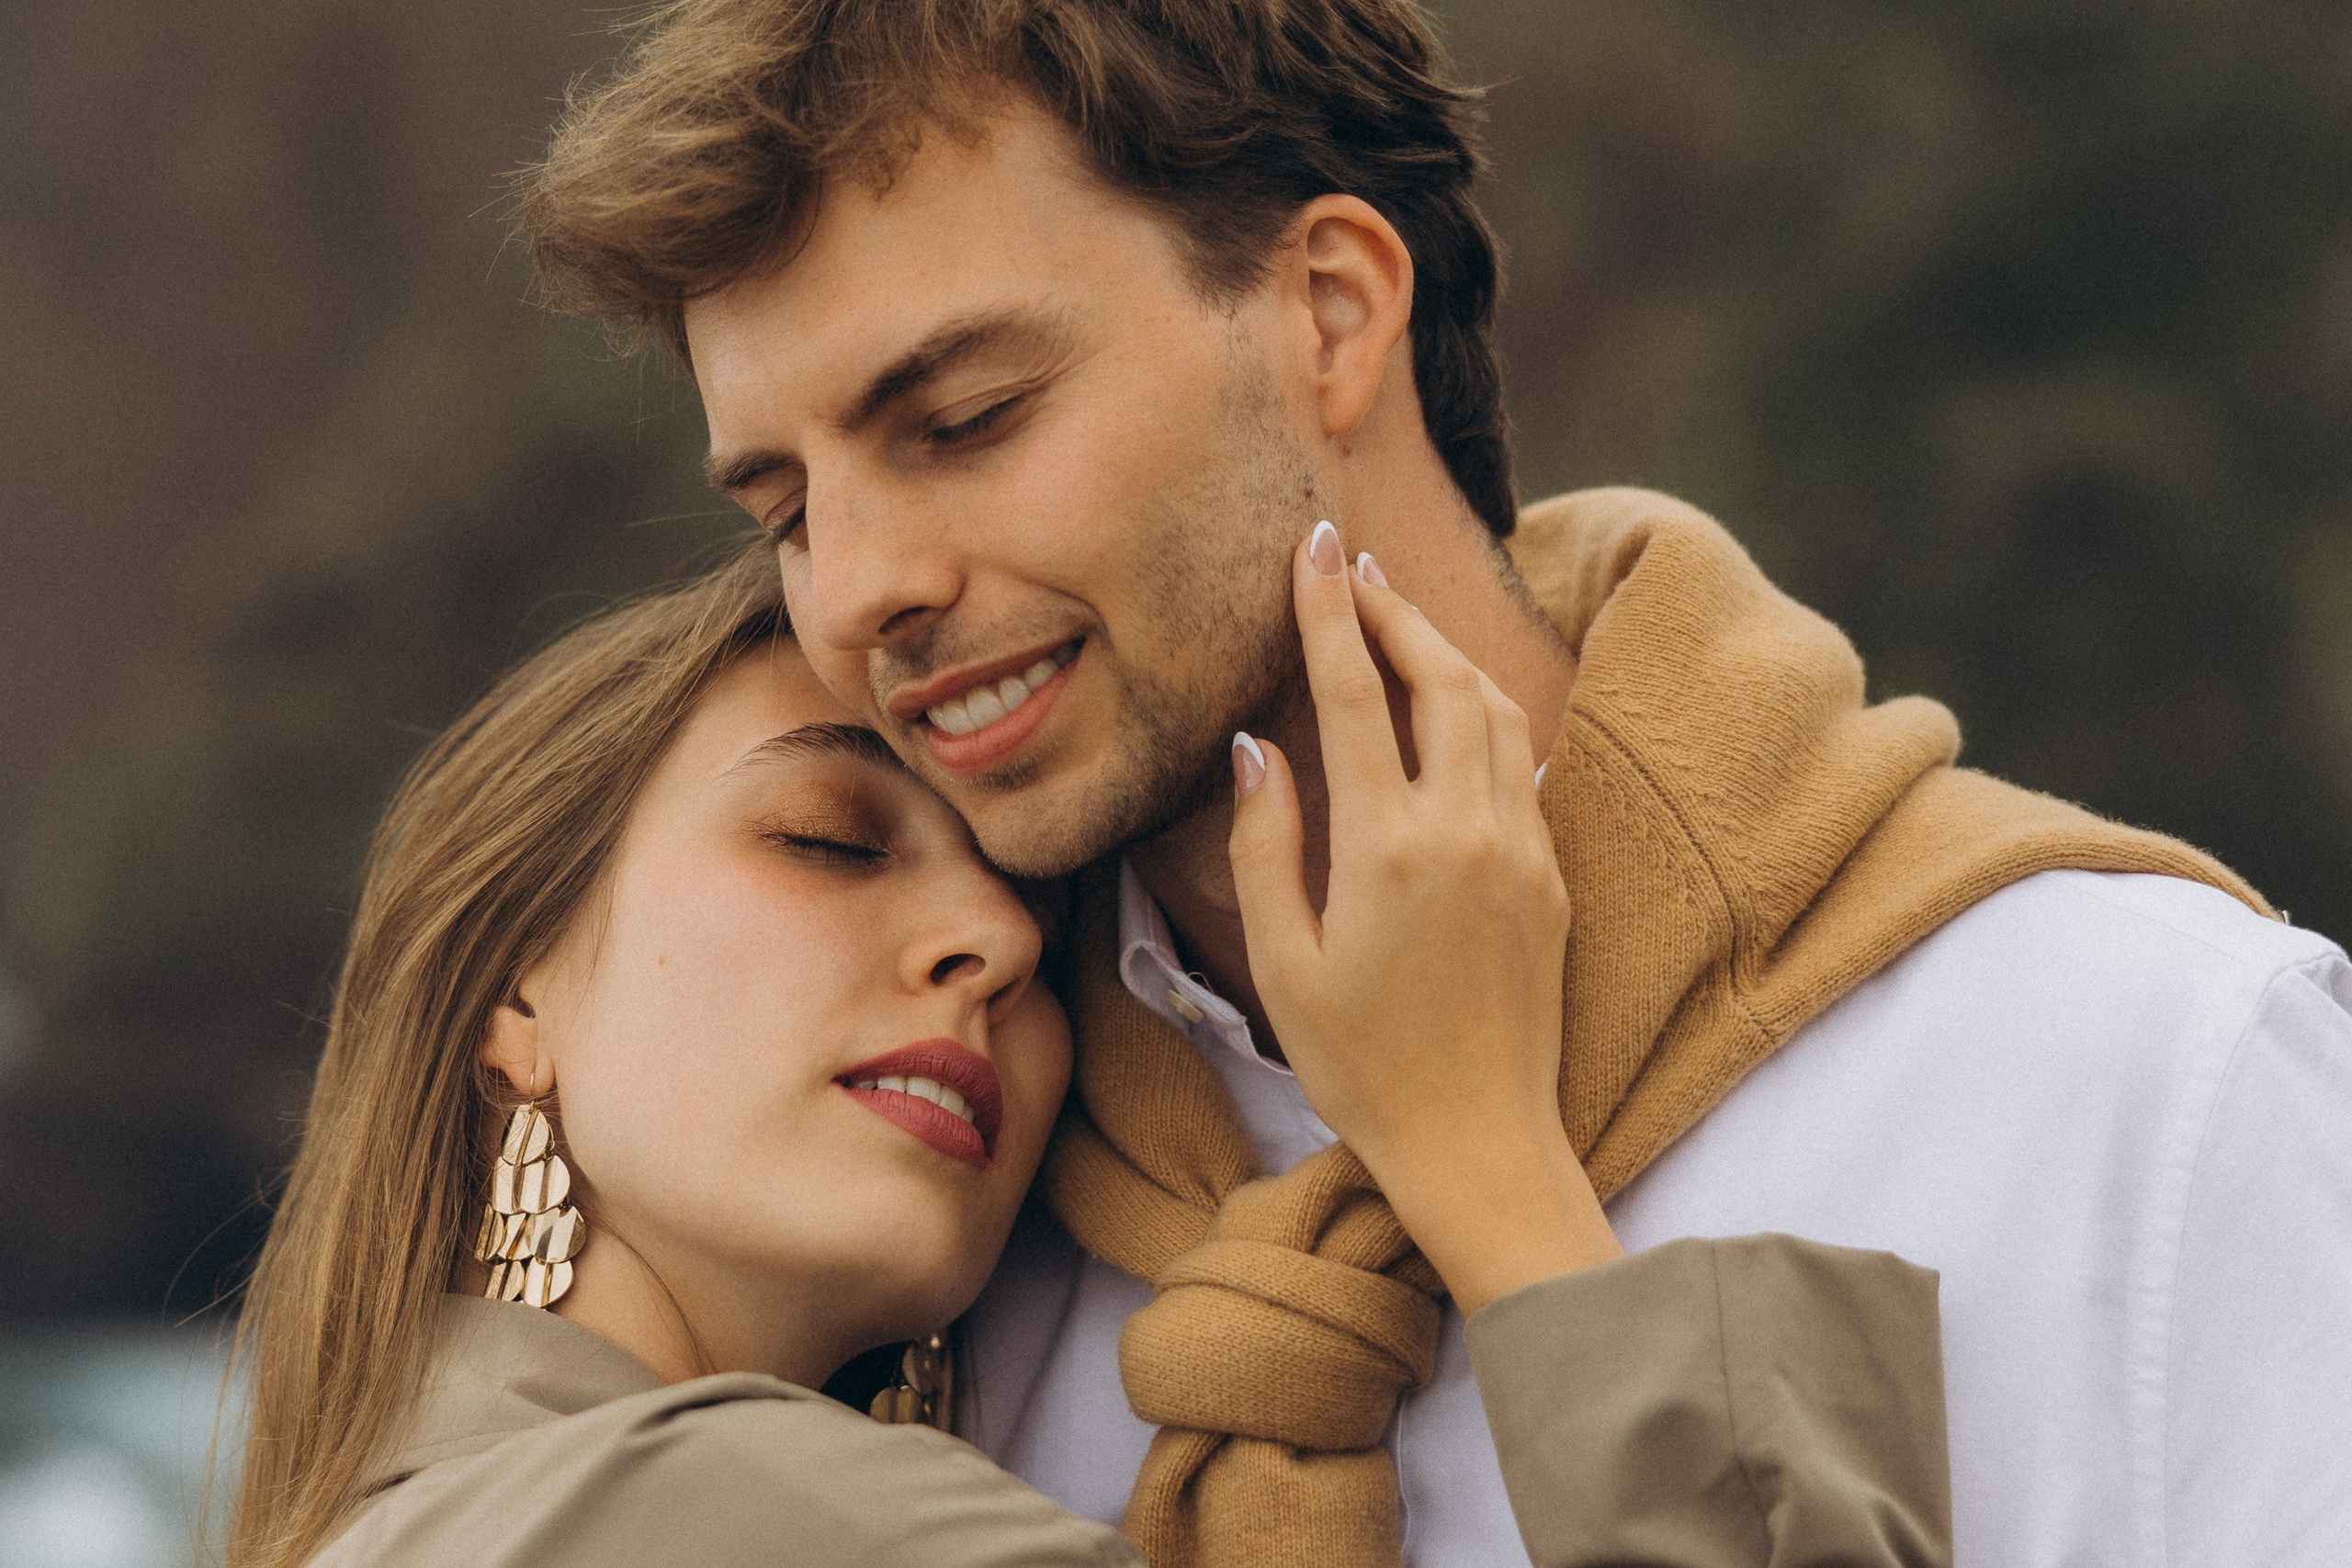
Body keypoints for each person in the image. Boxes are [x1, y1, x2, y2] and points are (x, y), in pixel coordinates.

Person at [517, 1, 2352, 1564]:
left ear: (1327, 310)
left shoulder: (2148, 1081)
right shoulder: (928, 1229)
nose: (856, 591)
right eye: (782, 508)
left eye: (965, 420)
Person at [225, 545, 1952, 1568]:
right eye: (831, 836)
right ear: (505, 1004)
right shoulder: (684, 1514)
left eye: (1047, 937)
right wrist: (1482, 1152)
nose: (984, 947)